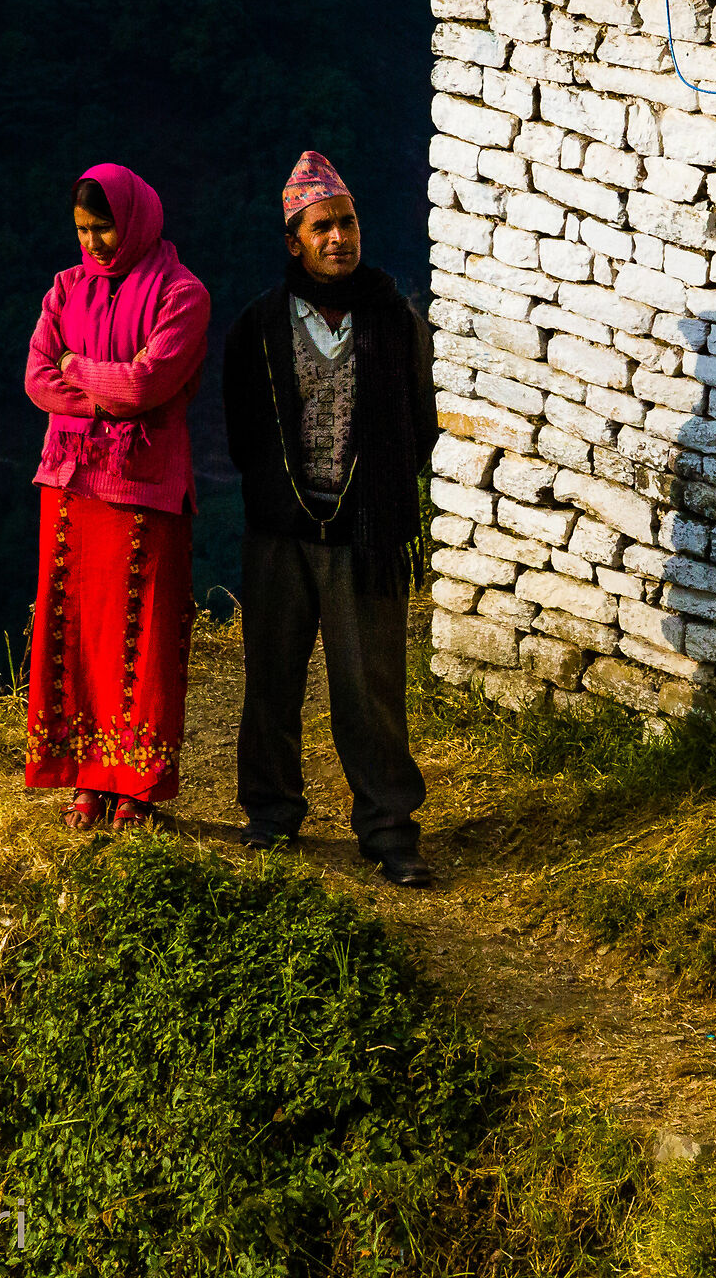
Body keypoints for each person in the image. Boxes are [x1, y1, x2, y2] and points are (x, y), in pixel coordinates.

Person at [222, 152, 438, 886]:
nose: (340, 238)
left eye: (347, 223)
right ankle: (272, 816)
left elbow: (420, 424)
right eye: (323, 228)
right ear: (295, 242)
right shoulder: (259, 326)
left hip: (365, 537)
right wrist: (283, 498)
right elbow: (244, 430)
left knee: (368, 687)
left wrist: (373, 498)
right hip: (280, 533)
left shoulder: (395, 321)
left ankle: (388, 830)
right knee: (271, 680)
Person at [22, 165, 211, 830]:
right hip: (71, 489)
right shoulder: (65, 289)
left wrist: (78, 369)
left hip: (144, 493)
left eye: (104, 227)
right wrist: (109, 388)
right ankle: (86, 775)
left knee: (141, 637)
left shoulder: (181, 294)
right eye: (82, 230)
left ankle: (134, 784)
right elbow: (36, 380)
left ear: (132, 221)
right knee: (76, 636)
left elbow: (147, 386)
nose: (95, 242)